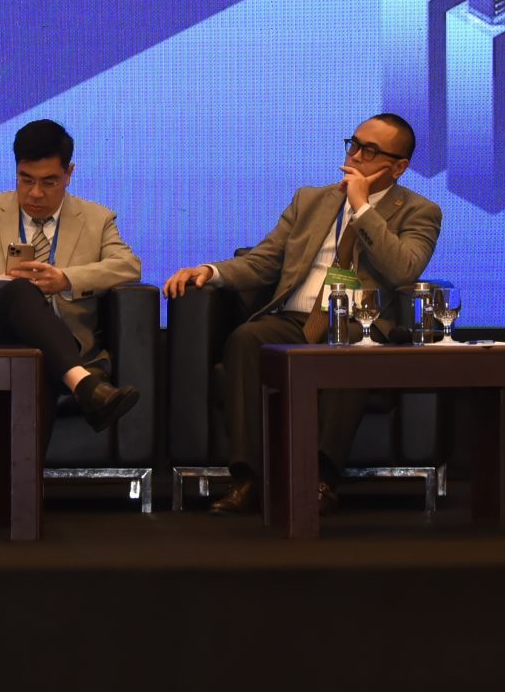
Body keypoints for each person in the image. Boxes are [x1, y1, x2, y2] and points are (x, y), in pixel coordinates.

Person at [161, 113, 442, 517]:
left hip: (359, 323)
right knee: (247, 339)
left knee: (350, 348)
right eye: (354, 144)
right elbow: (264, 260)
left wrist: (362, 207)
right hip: (295, 318)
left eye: (370, 151)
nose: (355, 155)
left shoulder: (419, 211)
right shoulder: (310, 200)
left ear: (398, 167)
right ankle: (249, 479)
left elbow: (403, 270)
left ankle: (321, 478)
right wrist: (210, 272)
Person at [0, 118, 142, 431]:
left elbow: (128, 266)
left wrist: (66, 280)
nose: (35, 193)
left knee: (38, 363)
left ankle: (23, 469)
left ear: (69, 174)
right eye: (26, 179)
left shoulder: (96, 219)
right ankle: (84, 384)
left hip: (61, 344)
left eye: (49, 182)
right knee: (19, 289)